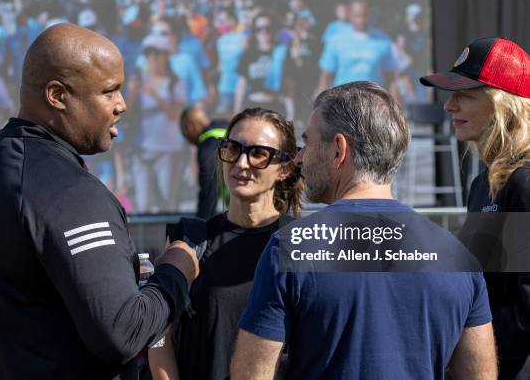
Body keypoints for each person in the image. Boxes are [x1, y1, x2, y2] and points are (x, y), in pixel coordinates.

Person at [0, 23, 199, 379]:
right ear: (58, 95)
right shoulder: (69, 191)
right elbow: (122, 333)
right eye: (109, 91)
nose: (122, 105)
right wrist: (176, 270)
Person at [231, 82, 497, 379]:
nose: (299, 157)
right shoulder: (459, 259)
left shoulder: (291, 248)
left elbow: (251, 375)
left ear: (339, 150)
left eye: (308, 142)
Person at [149, 108, 303, 380]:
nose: (241, 163)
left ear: (285, 169)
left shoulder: (301, 242)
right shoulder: (191, 238)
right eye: (233, 148)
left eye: (258, 153)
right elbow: (160, 337)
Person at [420, 37, 530, 380]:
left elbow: (525, 307)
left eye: (464, 95)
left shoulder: (522, 183)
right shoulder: (484, 183)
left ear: (503, 105)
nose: (449, 106)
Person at [127, 34, 186, 213]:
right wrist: (134, 93)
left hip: (168, 150)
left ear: (166, 55)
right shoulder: (137, 79)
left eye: (156, 53)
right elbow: (127, 114)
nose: (152, 58)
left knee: (167, 202)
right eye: (148, 53)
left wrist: (156, 95)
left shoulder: (175, 82)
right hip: (142, 149)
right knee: (143, 204)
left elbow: (176, 114)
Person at [316, 0, 396, 94]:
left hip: (373, 100)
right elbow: (325, 76)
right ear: (350, 15)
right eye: (357, 15)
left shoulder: (383, 40)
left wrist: (394, 106)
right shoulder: (336, 40)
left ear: (370, 15)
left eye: (364, 15)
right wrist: (321, 105)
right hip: (343, 100)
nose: (361, 19)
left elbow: (391, 77)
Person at [234, 14, 292, 120]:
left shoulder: (282, 53)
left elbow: (289, 87)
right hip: (253, 108)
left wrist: (291, 115)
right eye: (259, 29)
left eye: (267, 28)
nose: (263, 32)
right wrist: (236, 113)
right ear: (255, 32)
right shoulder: (248, 54)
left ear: (274, 30)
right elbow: (241, 86)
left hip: (276, 109)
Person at [179, 107, 228, 219]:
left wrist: (202, 224)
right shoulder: (228, 128)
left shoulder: (208, 144)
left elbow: (209, 187)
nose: (188, 140)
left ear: (191, 127)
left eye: (184, 134)